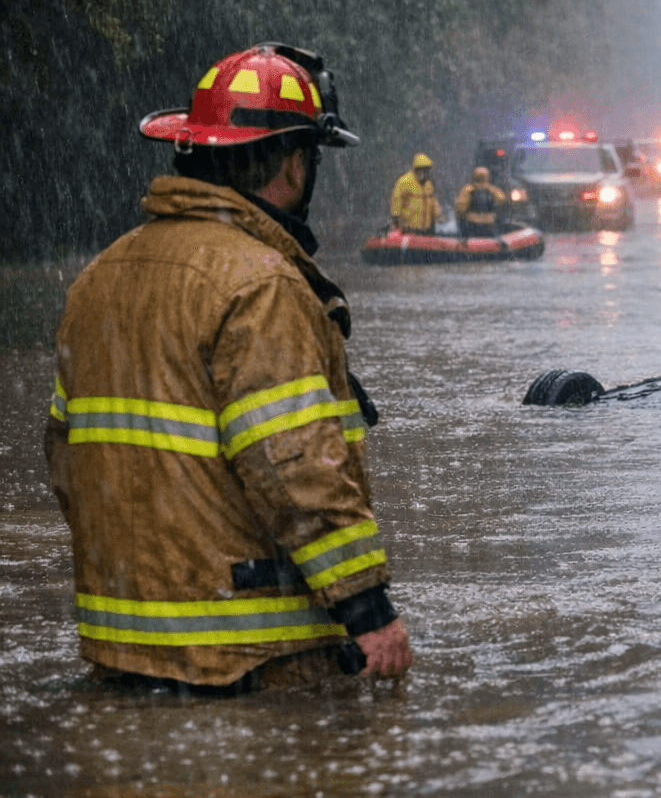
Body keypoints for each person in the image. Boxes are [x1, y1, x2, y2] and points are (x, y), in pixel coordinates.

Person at [45, 43, 413, 693]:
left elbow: (68, 459)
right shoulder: (260, 284)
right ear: (296, 164)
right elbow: (296, 465)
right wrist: (370, 613)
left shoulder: (99, 277)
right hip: (253, 662)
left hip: (122, 658)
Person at [390, 153, 440, 234]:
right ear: (417, 170)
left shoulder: (428, 184)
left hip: (426, 228)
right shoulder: (405, 181)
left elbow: (433, 201)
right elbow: (396, 199)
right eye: (424, 170)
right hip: (409, 228)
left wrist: (437, 214)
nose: (426, 173)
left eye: (427, 170)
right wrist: (395, 217)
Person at [454, 166, 507, 238]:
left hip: (472, 224)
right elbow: (502, 199)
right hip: (489, 224)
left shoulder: (468, 189)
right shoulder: (492, 189)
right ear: (487, 177)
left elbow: (460, 208)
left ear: (474, 176)